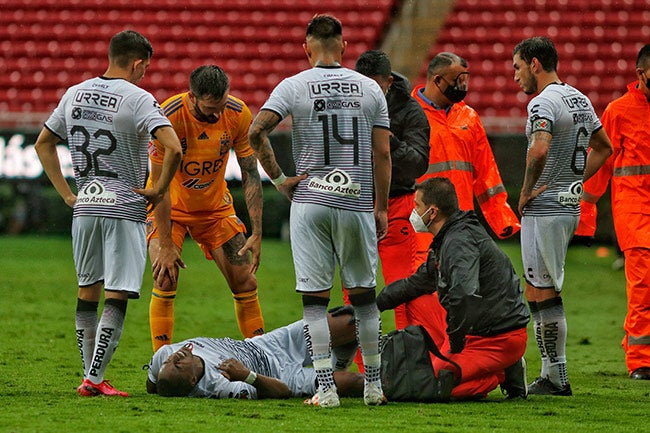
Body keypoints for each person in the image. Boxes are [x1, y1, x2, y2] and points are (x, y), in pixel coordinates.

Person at [248, 14, 391, 408]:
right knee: (364, 298)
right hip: (357, 201)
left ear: (306, 48)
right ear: (344, 47)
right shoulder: (369, 89)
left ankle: (325, 388)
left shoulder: (293, 85)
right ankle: (373, 387)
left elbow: (255, 131)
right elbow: (382, 152)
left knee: (314, 302)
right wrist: (380, 208)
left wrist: (279, 180)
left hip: (310, 201)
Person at [34, 30, 183, 397]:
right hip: (124, 206)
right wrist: (159, 190)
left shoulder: (74, 93)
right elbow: (174, 148)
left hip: (86, 205)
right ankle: (95, 379)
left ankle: (92, 376)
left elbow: (43, 143)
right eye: (144, 67)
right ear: (136, 63)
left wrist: (69, 195)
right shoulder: (139, 98)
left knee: (87, 290)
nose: (144, 74)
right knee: (117, 293)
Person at [512, 36, 613, 395]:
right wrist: (574, 181)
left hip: (545, 208)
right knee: (540, 288)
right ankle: (552, 374)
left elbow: (538, 151)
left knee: (543, 291)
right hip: (567, 205)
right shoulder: (580, 98)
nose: (515, 76)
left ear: (535, 64)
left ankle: (557, 377)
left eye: (518, 67)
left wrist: (526, 191)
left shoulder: (543, 103)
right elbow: (604, 148)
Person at [376, 177, 531, 400]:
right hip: (476, 328)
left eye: (417, 206)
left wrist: (456, 343)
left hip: (497, 338)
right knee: (416, 300)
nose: (413, 211)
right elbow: (417, 283)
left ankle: (501, 373)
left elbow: (465, 294)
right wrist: (372, 307)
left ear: (433, 212)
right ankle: (472, 362)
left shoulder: (458, 241)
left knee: (432, 387)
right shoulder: (451, 235)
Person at [146, 64, 265, 353]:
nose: (217, 114)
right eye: (210, 108)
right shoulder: (168, 115)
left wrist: (257, 231)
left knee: (246, 281)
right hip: (169, 209)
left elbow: (250, 172)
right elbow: (159, 186)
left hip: (215, 211)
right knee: (165, 275)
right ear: (192, 97)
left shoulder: (237, 113)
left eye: (221, 105)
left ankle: (263, 357)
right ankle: (161, 363)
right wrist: (164, 245)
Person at [408, 52, 521, 348]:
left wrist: (503, 219)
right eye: (459, 79)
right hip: (422, 228)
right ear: (437, 80)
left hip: (462, 230)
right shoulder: (408, 115)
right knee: (425, 297)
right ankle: (430, 358)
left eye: (465, 78)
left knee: (466, 293)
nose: (464, 84)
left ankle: (461, 358)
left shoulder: (469, 118)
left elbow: (486, 174)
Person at [575, 44, 650, 380]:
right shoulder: (619, 111)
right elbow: (601, 164)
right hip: (634, 211)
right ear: (641, 74)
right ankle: (640, 360)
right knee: (644, 284)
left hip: (635, 210)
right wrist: (585, 212)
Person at [353, 50, 430, 331]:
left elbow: (418, 164)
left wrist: (390, 143)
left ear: (388, 81)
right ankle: (362, 369)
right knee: (356, 292)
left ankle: (406, 359)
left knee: (401, 290)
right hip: (356, 203)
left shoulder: (410, 110)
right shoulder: (347, 106)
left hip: (397, 204)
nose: (370, 92)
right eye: (365, 86)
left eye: (376, 85)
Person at [146, 313, 363, 399]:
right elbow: (283, 391)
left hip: (269, 344)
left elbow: (152, 385)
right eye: (178, 365)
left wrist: (165, 382)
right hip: (282, 375)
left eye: (169, 361)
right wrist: (247, 375)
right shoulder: (222, 386)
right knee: (354, 382)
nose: (175, 357)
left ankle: (339, 363)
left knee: (351, 321)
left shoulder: (163, 355)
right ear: (193, 381)